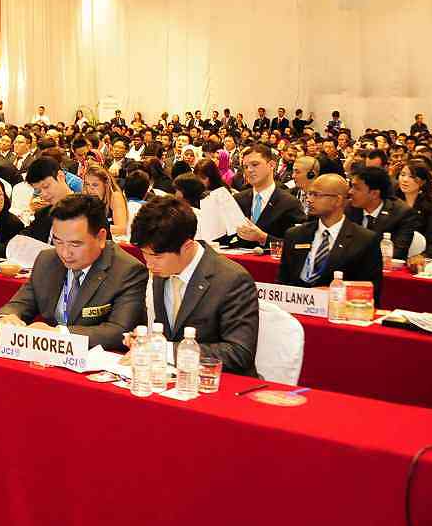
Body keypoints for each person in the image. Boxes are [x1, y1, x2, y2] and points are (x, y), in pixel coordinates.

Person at [0, 195, 146, 351]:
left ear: (100, 237)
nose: (65, 253)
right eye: (58, 241)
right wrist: (5, 318)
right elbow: (20, 303)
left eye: (75, 244)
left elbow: (119, 331)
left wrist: (59, 334)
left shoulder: (127, 271)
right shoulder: (47, 260)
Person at [129, 196, 259, 376]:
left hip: (218, 381)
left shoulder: (232, 280)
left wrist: (166, 350)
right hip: (171, 377)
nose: (149, 264)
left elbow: (239, 352)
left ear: (187, 247)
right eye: (144, 254)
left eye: (157, 256)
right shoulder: (162, 270)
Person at [277, 174, 383, 301]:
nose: (309, 200)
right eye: (309, 194)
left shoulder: (364, 240)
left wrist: (335, 292)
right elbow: (282, 282)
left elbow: (370, 290)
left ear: (338, 200)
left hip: (338, 307)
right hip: (295, 306)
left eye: (316, 195)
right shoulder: (295, 235)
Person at [229, 144, 305, 247]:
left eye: (255, 164)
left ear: (271, 165)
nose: (249, 170)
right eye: (245, 167)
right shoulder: (238, 199)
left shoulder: (290, 203)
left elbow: (299, 245)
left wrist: (263, 238)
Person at [347, 165, 419, 261]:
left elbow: (398, 253)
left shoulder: (402, 213)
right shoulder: (347, 208)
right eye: (351, 186)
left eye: (357, 188)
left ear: (374, 194)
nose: (350, 192)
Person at [21, 156, 73, 243]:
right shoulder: (42, 214)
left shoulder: (86, 210)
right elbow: (24, 237)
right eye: (38, 191)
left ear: (60, 177)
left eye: (46, 186)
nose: (44, 194)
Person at [398, 161, 432, 242]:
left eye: (412, 176)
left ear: (423, 182)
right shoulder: (393, 199)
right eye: (402, 175)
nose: (405, 180)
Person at [82, 163, 129, 240]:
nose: (90, 189)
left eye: (95, 185)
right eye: (87, 184)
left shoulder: (115, 196)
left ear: (106, 184)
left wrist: (91, 228)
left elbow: (122, 229)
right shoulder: (86, 198)